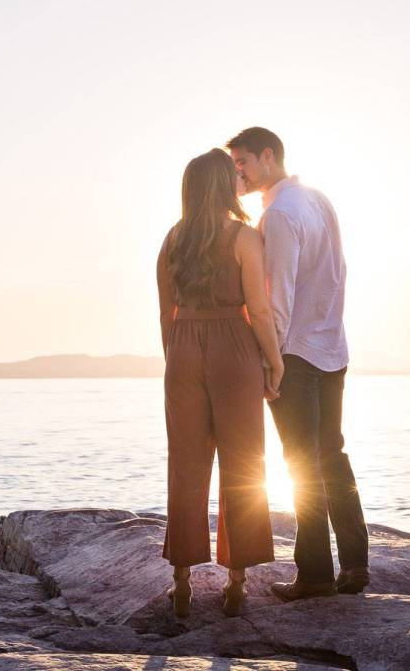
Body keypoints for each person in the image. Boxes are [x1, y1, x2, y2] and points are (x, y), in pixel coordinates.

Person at [227, 126, 369, 602]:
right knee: (332, 456)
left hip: (297, 354)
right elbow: (338, 272)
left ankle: (314, 576)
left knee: (302, 465)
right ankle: (355, 566)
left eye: (243, 162)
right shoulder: (317, 200)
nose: (238, 173)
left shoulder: (281, 216)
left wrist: (273, 361)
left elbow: (277, 297)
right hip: (332, 347)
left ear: (269, 157)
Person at [157, 148, 284, 618]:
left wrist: (178, 359)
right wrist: (274, 361)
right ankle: (236, 581)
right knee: (244, 459)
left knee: (186, 463)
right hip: (235, 345)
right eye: (232, 175)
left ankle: (183, 583)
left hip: (183, 345)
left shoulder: (172, 239)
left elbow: (164, 314)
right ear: (219, 185)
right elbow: (261, 309)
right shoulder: (243, 237)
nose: (239, 180)